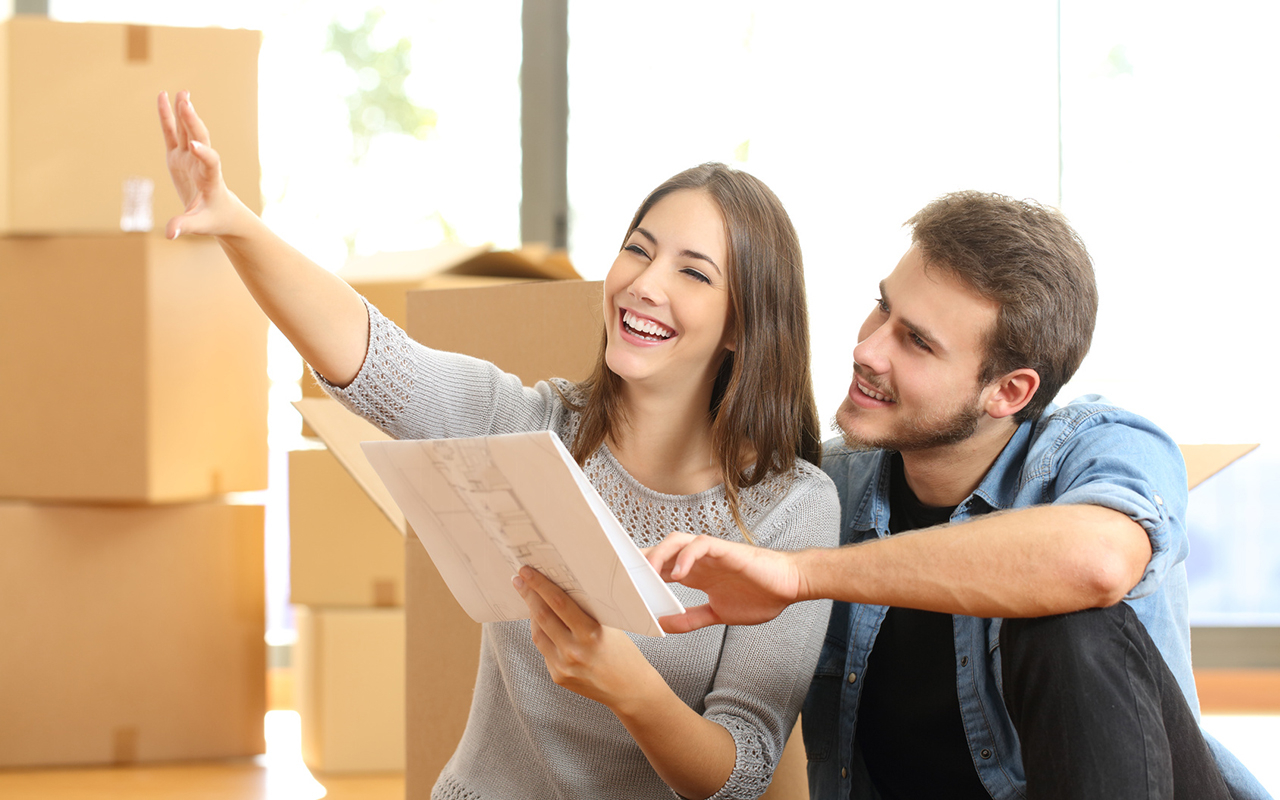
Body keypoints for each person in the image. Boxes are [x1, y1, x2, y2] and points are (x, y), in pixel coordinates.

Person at [157, 90, 838, 800]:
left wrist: (632, 690)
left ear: (743, 325)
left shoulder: (790, 510)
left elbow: (743, 774)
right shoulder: (532, 424)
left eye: (693, 273)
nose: (643, 284)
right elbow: (376, 362)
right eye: (637, 251)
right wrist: (235, 222)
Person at [647, 191, 1271, 800]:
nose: (866, 350)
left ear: (1008, 392)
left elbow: (1097, 562)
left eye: (916, 342)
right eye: (881, 309)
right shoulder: (827, 490)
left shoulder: (1104, 445)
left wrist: (801, 574)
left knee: (1066, 624)